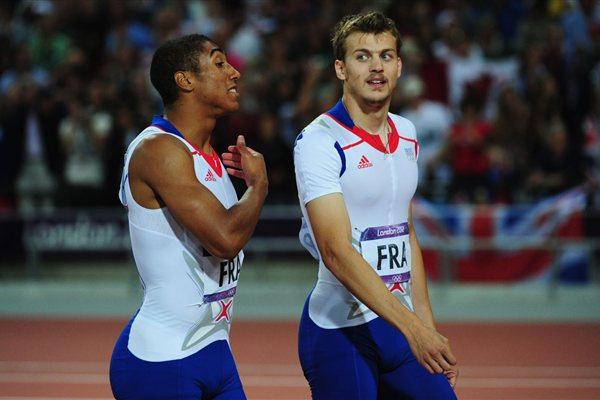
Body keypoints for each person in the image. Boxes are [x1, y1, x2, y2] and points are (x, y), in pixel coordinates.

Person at [294, 12, 458, 399]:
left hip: (396, 325)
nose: (376, 67)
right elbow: (335, 252)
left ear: (399, 66)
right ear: (341, 68)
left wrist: (426, 325)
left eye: (385, 55)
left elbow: (407, 233)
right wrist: (414, 330)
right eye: (362, 56)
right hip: (340, 333)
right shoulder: (318, 142)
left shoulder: (408, 133)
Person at [109, 34, 268, 400]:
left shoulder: (210, 155)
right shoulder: (159, 150)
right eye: (219, 63)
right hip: (161, 361)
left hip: (215, 353)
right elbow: (225, 241)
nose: (234, 73)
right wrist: (258, 188)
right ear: (185, 80)